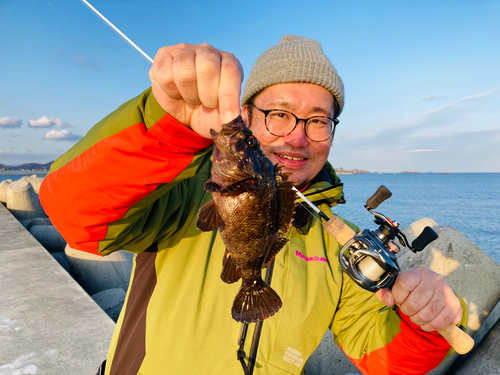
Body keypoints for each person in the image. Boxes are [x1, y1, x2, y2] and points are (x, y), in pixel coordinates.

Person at [40, 35, 467, 375]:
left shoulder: (343, 246)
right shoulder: (183, 189)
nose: (297, 137)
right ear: (245, 115)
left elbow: (384, 360)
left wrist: (425, 319)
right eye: (278, 113)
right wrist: (164, 127)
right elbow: (76, 216)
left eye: (318, 120)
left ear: (332, 131)